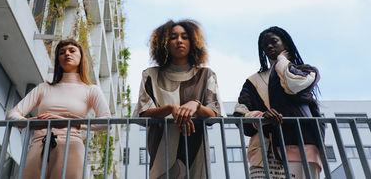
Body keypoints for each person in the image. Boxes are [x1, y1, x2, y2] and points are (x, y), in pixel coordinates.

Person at [133, 19, 225, 179]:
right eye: (173, 37)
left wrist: (196, 105)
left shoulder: (206, 75)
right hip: (161, 152)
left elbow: (215, 115)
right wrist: (170, 108)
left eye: (185, 37)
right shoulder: (150, 75)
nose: (179, 41)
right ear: (164, 43)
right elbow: (141, 115)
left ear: (193, 42)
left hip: (196, 152)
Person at [7, 39, 111, 179]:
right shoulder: (44, 88)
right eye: (62, 52)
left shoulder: (91, 90)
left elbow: (106, 121)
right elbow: (11, 114)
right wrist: (30, 122)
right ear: (58, 60)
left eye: (72, 51)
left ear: (81, 57)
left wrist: (68, 122)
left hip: (71, 147)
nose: (67, 54)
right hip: (39, 144)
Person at [234, 26, 323, 179]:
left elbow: (292, 85)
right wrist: (261, 117)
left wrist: (281, 61)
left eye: (274, 41)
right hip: (264, 153)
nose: (269, 46)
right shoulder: (253, 81)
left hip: (303, 146)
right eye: (265, 45)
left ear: (286, 44)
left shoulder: (307, 71)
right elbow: (239, 114)